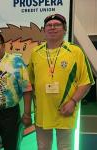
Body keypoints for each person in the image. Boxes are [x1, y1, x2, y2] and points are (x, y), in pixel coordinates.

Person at [28, 14, 95, 150]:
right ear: (44, 30)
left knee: (65, 148)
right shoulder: (35, 52)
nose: (52, 27)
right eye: (49, 25)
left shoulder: (75, 52)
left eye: (57, 25)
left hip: (66, 110)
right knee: (43, 147)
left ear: (65, 30)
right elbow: (31, 83)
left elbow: (86, 81)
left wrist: (73, 102)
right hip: (42, 113)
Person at [0, 31, 32, 150]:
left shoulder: (16, 62)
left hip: (9, 115)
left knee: (11, 147)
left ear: (3, 46)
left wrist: (27, 113)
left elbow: (27, 89)